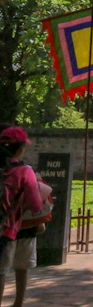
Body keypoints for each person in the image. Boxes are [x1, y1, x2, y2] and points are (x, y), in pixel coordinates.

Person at [0, 126, 43, 307]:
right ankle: (18, 303)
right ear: (21, 148)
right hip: (10, 227)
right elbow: (36, 206)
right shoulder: (25, 171)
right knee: (15, 267)